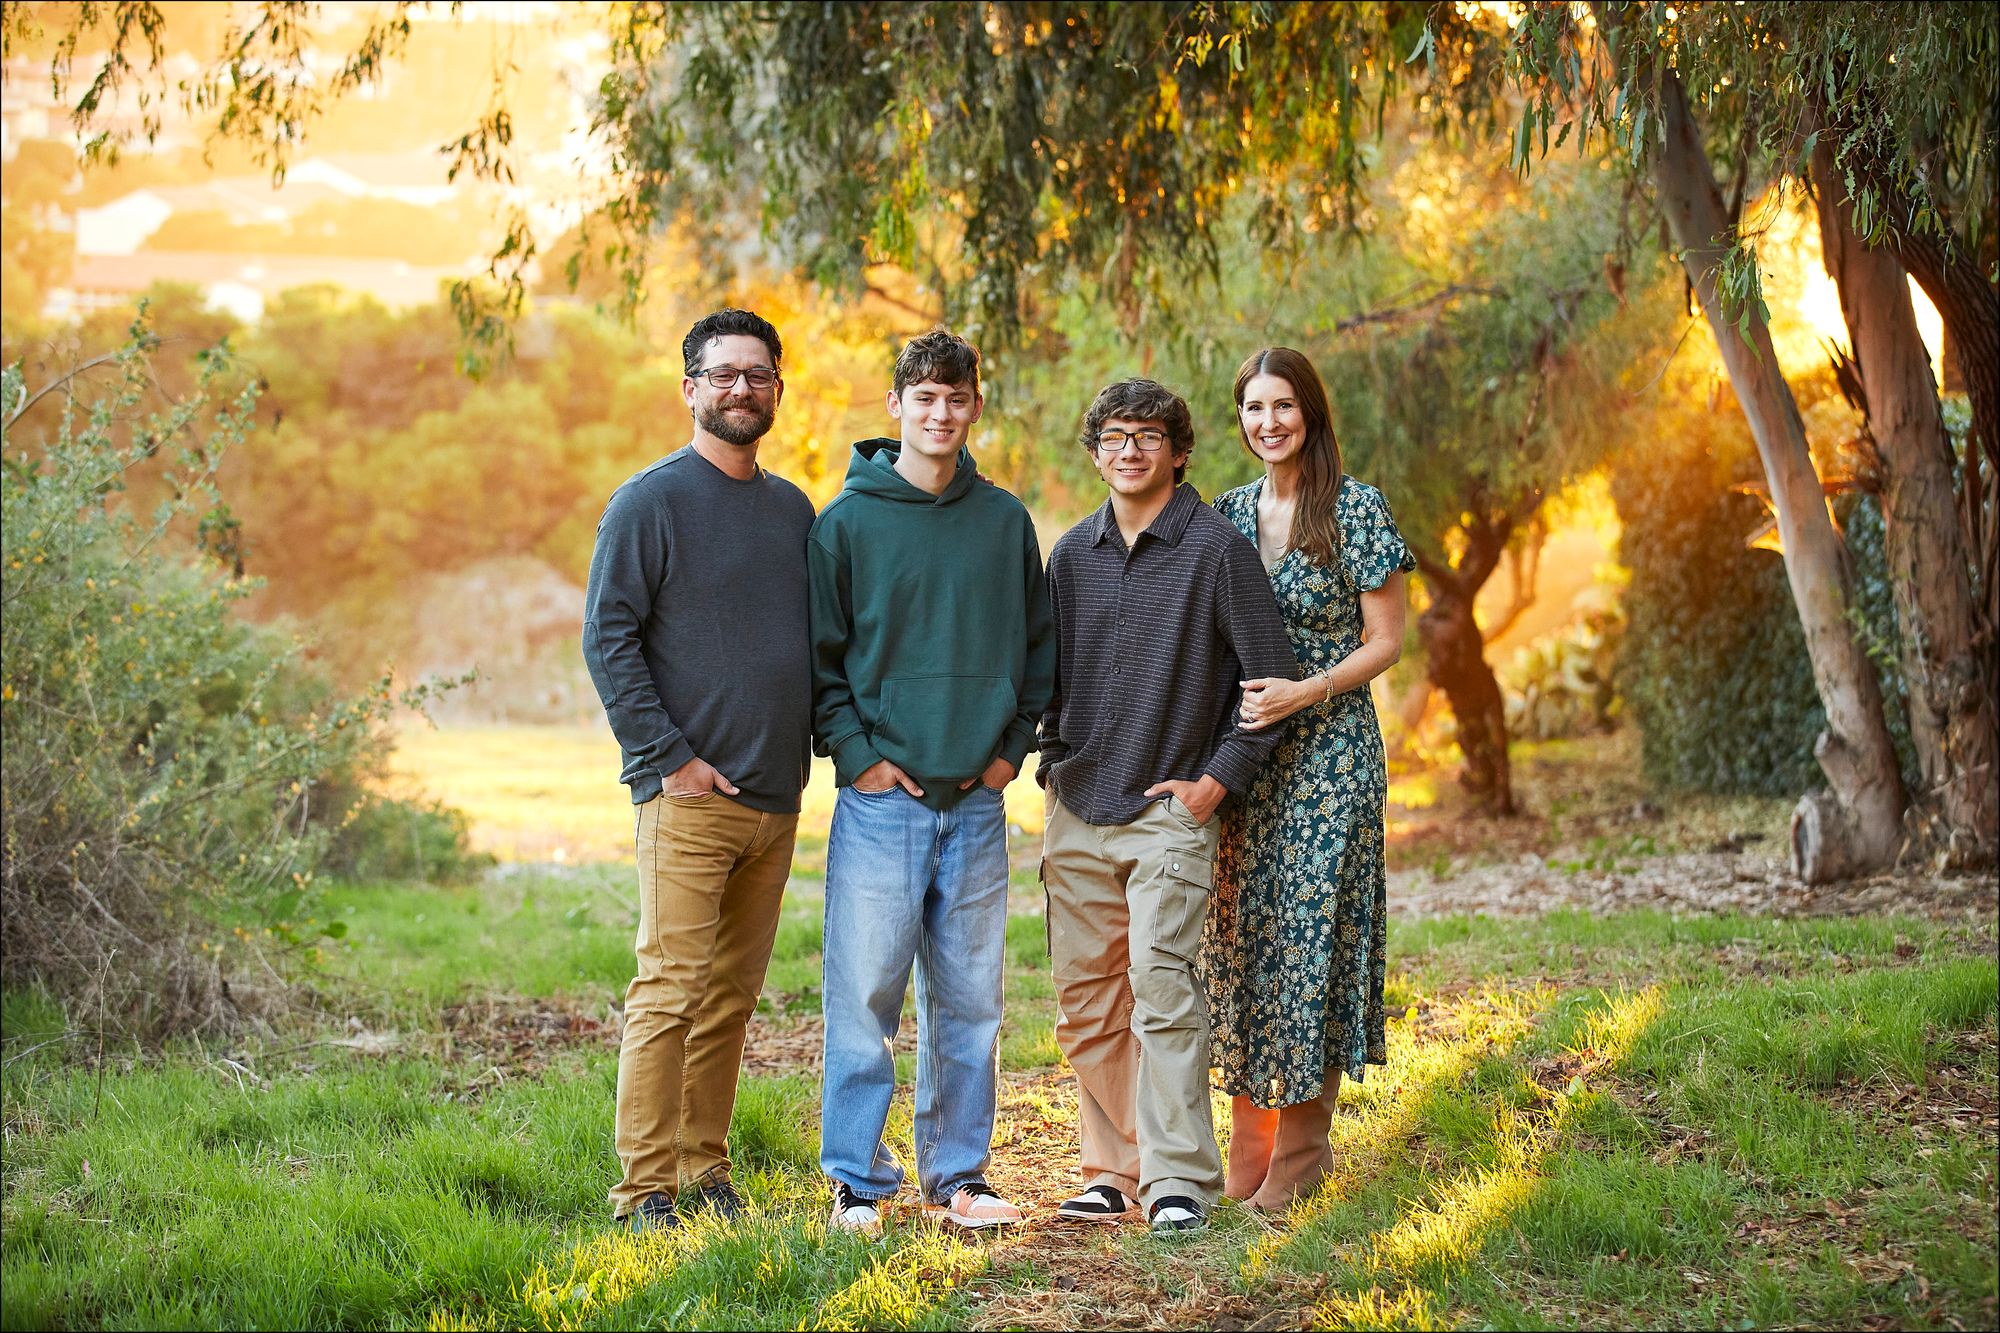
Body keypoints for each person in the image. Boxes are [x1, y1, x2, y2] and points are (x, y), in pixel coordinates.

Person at [809, 329, 1056, 1236]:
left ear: (975, 408)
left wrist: (1010, 751)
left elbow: (1039, 651)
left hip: (978, 800)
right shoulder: (844, 525)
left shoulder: (1004, 523)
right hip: (882, 801)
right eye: (925, 399)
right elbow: (823, 661)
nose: (941, 413)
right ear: (896, 408)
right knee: (865, 993)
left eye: (957, 398)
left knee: (970, 998)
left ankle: (959, 1175)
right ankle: (855, 1178)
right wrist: (858, 756)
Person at [1037, 378, 1298, 1235]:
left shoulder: (1217, 551)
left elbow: (1266, 686)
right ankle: (1114, 1171)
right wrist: (1049, 759)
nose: (1130, 450)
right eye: (1113, 436)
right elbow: (1049, 677)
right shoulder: (1071, 555)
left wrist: (1216, 780)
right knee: (1087, 1001)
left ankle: (1179, 1178)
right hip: (1078, 804)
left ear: (1179, 452)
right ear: (1096, 451)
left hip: (1168, 810)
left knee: (1162, 985)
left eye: (1148, 436)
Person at [580, 308, 815, 1233]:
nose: (741, 389)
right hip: (688, 798)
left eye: (757, 374)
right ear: (690, 389)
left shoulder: (793, 510)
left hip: (775, 799)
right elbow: (608, 637)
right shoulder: (650, 502)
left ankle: (704, 1167)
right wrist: (668, 757)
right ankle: (644, 1191)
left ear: (777, 390)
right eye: (722, 374)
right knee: (668, 993)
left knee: (729, 999)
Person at [1205, 347, 1414, 1212]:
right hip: (1253, 756)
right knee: (1250, 940)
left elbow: (1388, 638)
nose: (1268, 423)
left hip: (1331, 754)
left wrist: (1307, 689)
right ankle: (1247, 1150)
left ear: (1310, 412)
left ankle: (1302, 1152)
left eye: (1283, 405)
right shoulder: (1223, 514)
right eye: (1254, 408)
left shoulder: (1355, 508)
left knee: (1312, 940)